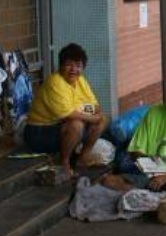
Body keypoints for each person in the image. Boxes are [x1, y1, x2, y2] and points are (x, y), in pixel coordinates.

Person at [23, 43, 108, 179]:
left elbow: (95, 106)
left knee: (101, 118)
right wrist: (91, 116)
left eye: (78, 65)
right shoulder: (55, 82)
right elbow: (68, 114)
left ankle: (82, 159)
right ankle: (64, 163)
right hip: (38, 133)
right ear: (61, 65)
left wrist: (92, 114)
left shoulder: (80, 80)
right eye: (69, 64)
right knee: (77, 124)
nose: (74, 69)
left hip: (59, 127)